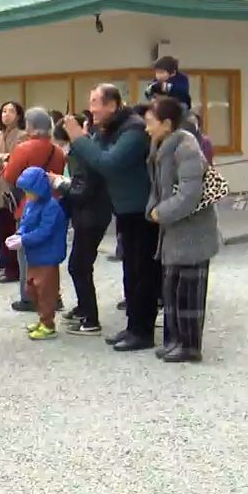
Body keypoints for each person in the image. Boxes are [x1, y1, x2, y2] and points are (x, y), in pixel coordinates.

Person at [63, 84, 158, 353]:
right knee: (131, 271)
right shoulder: (109, 128)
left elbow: (110, 164)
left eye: (95, 103)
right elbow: (91, 160)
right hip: (125, 209)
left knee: (142, 272)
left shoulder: (134, 129)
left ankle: (143, 332)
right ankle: (133, 327)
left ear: (113, 105)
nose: (91, 109)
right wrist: (83, 140)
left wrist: (79, 140)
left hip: (142, 210)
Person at [145, 97, 219, 363]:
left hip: (193, 232)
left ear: (167, 123)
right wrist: (154, 209)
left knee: (189, 293)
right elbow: (159, 187)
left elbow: (189, 194)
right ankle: (175, 340)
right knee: (172, 289)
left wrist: (161, 212)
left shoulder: (186, 147)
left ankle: (190, 345)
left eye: (151, 123)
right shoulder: (161, 145)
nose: (147, 129)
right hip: (174, 232)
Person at [49, 116, 113, 336]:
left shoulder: (80, 156)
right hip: (95, 214)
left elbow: (81, 191)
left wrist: (59, 184)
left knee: (79, 266)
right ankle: (83, 308)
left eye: (59, 144)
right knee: (81, 264)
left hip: (90, 216)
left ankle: (91, 319)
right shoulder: (86, 152)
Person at [2, 107, 66, 312]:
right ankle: (53, 295)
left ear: (30, 125)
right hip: (54, 205)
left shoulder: (24, 148)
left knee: (27, 256)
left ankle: (29, 297)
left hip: (28, 207)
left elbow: (10, 176)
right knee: (50, 255)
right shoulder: (57, 150)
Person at [6, 166, 68, 340]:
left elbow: (44, 231)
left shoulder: (51, 207)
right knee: (32, 288)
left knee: (46, 292)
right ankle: (43, 319)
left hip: (47, 256)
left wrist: (24, 239)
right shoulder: (32, 203)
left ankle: (48, 324)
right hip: (35, 255)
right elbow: (26, 222)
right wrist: (19, 233)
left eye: (29, 191)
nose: (27, 194)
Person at [0, 102, 29, 284]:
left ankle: (13, 268)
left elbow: (15, 158)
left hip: (10, 187)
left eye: (11, 111)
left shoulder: (21, 136)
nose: (6, 115)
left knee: (8, 227)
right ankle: (3, 259)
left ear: (18, 115)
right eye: (3, 111)